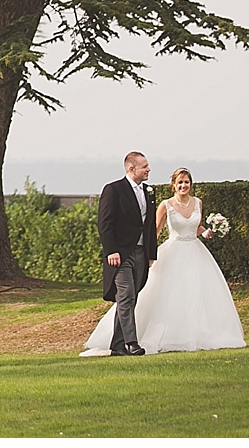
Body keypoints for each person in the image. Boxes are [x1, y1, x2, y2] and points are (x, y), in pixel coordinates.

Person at [82, 166, 246, 356]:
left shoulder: (198, 203)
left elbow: (197, 226)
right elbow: (154, 230)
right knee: (158, 293)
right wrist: (148, 254)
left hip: (195, 252)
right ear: (173, 185)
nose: (183, 186)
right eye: (180, 183)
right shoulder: (165, 205)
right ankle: (128, 339)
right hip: (174, 251)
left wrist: (206, 232)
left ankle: (197, 332)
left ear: (191, 185)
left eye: (186, 182)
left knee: (196, 292)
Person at [91, 151, 158, 356]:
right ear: (131, 168)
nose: (148, 169)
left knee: (130, 297)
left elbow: (149, 226)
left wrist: (151, 254)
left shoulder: (149, 191)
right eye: (144, 166)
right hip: (120, 254)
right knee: (126, 295)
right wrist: (111, 251)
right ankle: (132, 343)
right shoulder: (114, 190)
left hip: (141, 252)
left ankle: (117, 346)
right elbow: (105, 224)